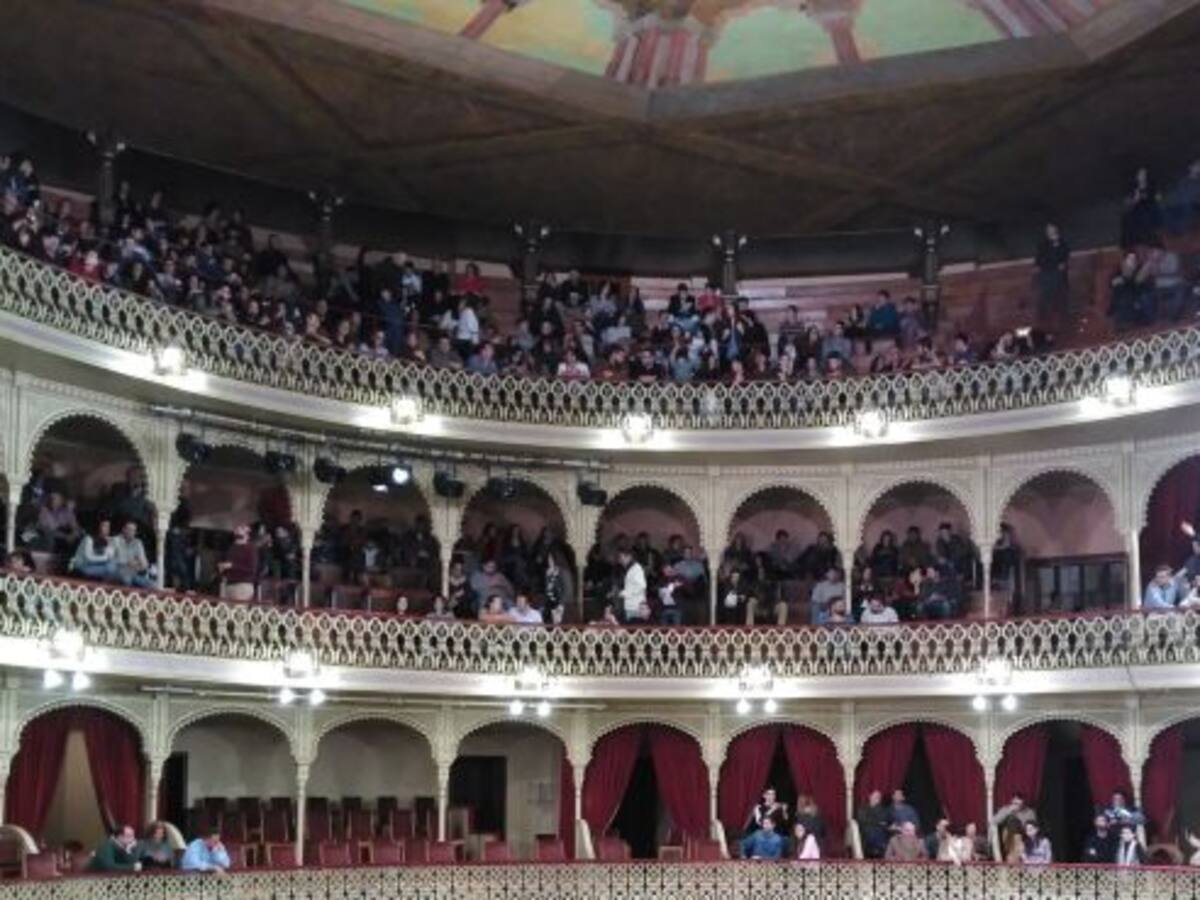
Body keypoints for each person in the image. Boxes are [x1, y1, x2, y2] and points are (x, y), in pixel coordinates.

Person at [218, 524, 258, 601]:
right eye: (236, 528)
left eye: (241, 528)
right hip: (228, 584)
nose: (237, 530)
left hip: (242, 585)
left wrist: (232, 566)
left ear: (247, 532)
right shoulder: (232, 548)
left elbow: (251, 569)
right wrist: (222, 568)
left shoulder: (250, 548)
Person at [112, 520, 154, 588]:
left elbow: (145, 564)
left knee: (151, 584)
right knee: (127, 579)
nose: (131, 532)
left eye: (133, 530)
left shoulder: (138, 543)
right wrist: (128, 562)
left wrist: (135, 565)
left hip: (133, 573)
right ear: (124, 530)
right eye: (129, 529)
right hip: (118, 572)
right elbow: (112, 559)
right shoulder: (116, 540)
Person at [856, 789, 890, 859]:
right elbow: (863, 820)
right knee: (871, 830)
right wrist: (877, 822)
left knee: (879, 831)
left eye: (878, 797)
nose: (876, 798)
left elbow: (884, 820)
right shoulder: (863, 808)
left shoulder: (882, 809)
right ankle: (877, 848)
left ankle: (878, 849)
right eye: (875, 796)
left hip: (879, 831)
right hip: (865, 829)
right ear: (870, 797)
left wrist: (876, 821)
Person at [617, 548, 648, 623]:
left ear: (629, 557)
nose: (620, 560)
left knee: (634, 631)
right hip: (629, 606)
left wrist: (625, 593)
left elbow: (641, 586)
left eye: (622, 558)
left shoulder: (637, 569)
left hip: (636, 607)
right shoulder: (629, 569)